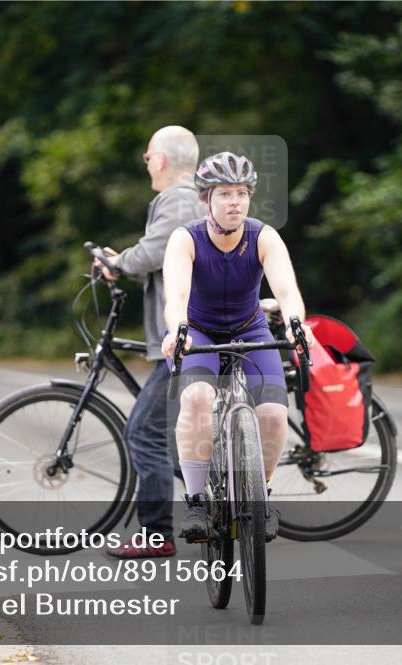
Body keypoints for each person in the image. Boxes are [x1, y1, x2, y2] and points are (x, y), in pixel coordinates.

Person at [161, 152, 315, 542]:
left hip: (251, 329)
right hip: (200, 332)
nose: (235, 201)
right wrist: (176, 331)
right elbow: (176, 296)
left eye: (242, 193)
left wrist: (297, 324)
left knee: (274, 415)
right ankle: (196, 501)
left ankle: (261, 497)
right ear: (205, 199)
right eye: (225, 193)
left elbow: (286, 290)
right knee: (196, 399)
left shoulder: (263, 236)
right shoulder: (186, 239)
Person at [95, 126, 205, 558]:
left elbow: (156, 249)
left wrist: (118, 261)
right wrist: (122, 262)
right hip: (189, 332)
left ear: (159, 159)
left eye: (147, 156)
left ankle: (156, 534)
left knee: (144, 431)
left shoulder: (178, 198)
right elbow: (163, 259)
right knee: (171, 431)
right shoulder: (189, 197)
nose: (146, 163)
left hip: (185, 336)